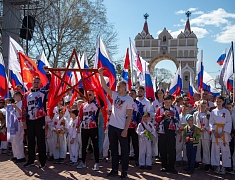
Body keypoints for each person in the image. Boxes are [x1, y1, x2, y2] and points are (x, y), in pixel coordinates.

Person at [99, 67, 134, 179]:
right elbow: (104, 87)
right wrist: (101, 74)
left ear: (124, 87)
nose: (117, 88)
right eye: (117, 86)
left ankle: (124, 171)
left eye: (119, 86)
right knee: (113, 149)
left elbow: (129, 116)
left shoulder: (129, 99)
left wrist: (125, 129)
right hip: (112, 126)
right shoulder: (115, 95)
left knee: (124, 150)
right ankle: (114, 170)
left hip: (121, 127)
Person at [22, 76, 49, 168]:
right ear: (32, 83)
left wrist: (48, 73)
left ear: (40, 83)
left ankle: (42, 161)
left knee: (41, 141)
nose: (36, 83)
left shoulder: (42, 92)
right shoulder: (26, 95)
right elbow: (24, 108)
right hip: (30, 120)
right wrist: (23, 121)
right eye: (35, 82)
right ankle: (31, 160)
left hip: (40, 119)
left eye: (38, 82)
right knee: (30, 141)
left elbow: (50, 85)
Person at [155, 94, 179, 174]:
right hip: (162, 132)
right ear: (163, 102)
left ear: (171, 102)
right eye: (166, 102)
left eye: (169, 102)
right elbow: (156, 119)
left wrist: (172, 116)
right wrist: (163, 115)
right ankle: (164, 166)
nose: (167, 104)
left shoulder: (174, 109)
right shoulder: (160, 109)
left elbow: (177, 120)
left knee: (172, 149)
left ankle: (172, 166)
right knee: (162, 149)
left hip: (171, 131)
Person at [76, 90, 100, 171]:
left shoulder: (96, 104)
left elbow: (102, 105)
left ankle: (97, 163)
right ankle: (82, 162)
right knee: (84, 145)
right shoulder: (83, 105)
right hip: (84, 128)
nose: (88, 96)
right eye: (87, 95)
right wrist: (78, 126)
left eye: (90, 95)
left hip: (93, 128)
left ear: (93, 95)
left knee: (95, 145)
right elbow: (80, 116)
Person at [209, 96, 232, 174]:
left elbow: (229, 122)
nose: (218, 103)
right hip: (215, 133)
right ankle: (217, 166)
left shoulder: (226, 111)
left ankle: (224, 167)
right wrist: (214, 131)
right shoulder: (213, 111)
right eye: (217, 101)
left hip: (224, 133)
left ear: (222, 102)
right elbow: (210, 122)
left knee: (225, 151)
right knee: (215, 150)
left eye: (220, 101)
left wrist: (223, 131)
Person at [193, 100, 211, 171]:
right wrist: (197, 128)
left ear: (206, 106)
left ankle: (207, 163)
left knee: (206, 148)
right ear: (199, 106)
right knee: (197, 148)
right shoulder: (195, 114)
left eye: (204, 106)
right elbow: (193, 123)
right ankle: (197, 162)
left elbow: (211, 124)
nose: (203, 107)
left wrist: (206, 128)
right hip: (197, 132)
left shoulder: (209, 114)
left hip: (206, 133)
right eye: (201, 106)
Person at [128, 89, 143, 166]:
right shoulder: (125, 102)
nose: (131, 95)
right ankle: (125, 159)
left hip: (134, 127)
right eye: (129, 94)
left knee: (135, 144)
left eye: (132, 94)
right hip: (126, 127)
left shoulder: (138, 104)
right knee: (125, 144)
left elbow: (140, 115)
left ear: (135, 95)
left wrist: (138, 125)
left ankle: (137, 159)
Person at [11, 92, 26, 163]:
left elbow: (22, 113)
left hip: (19, 122)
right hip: (14, 122)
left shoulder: (22, 103)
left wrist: (16, 107)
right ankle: (16, 155)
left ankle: (21, 156)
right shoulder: (16, 104)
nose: (14, 98)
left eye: (14, 96)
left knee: (18, 140)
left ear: (18, 96)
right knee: (13, 140)